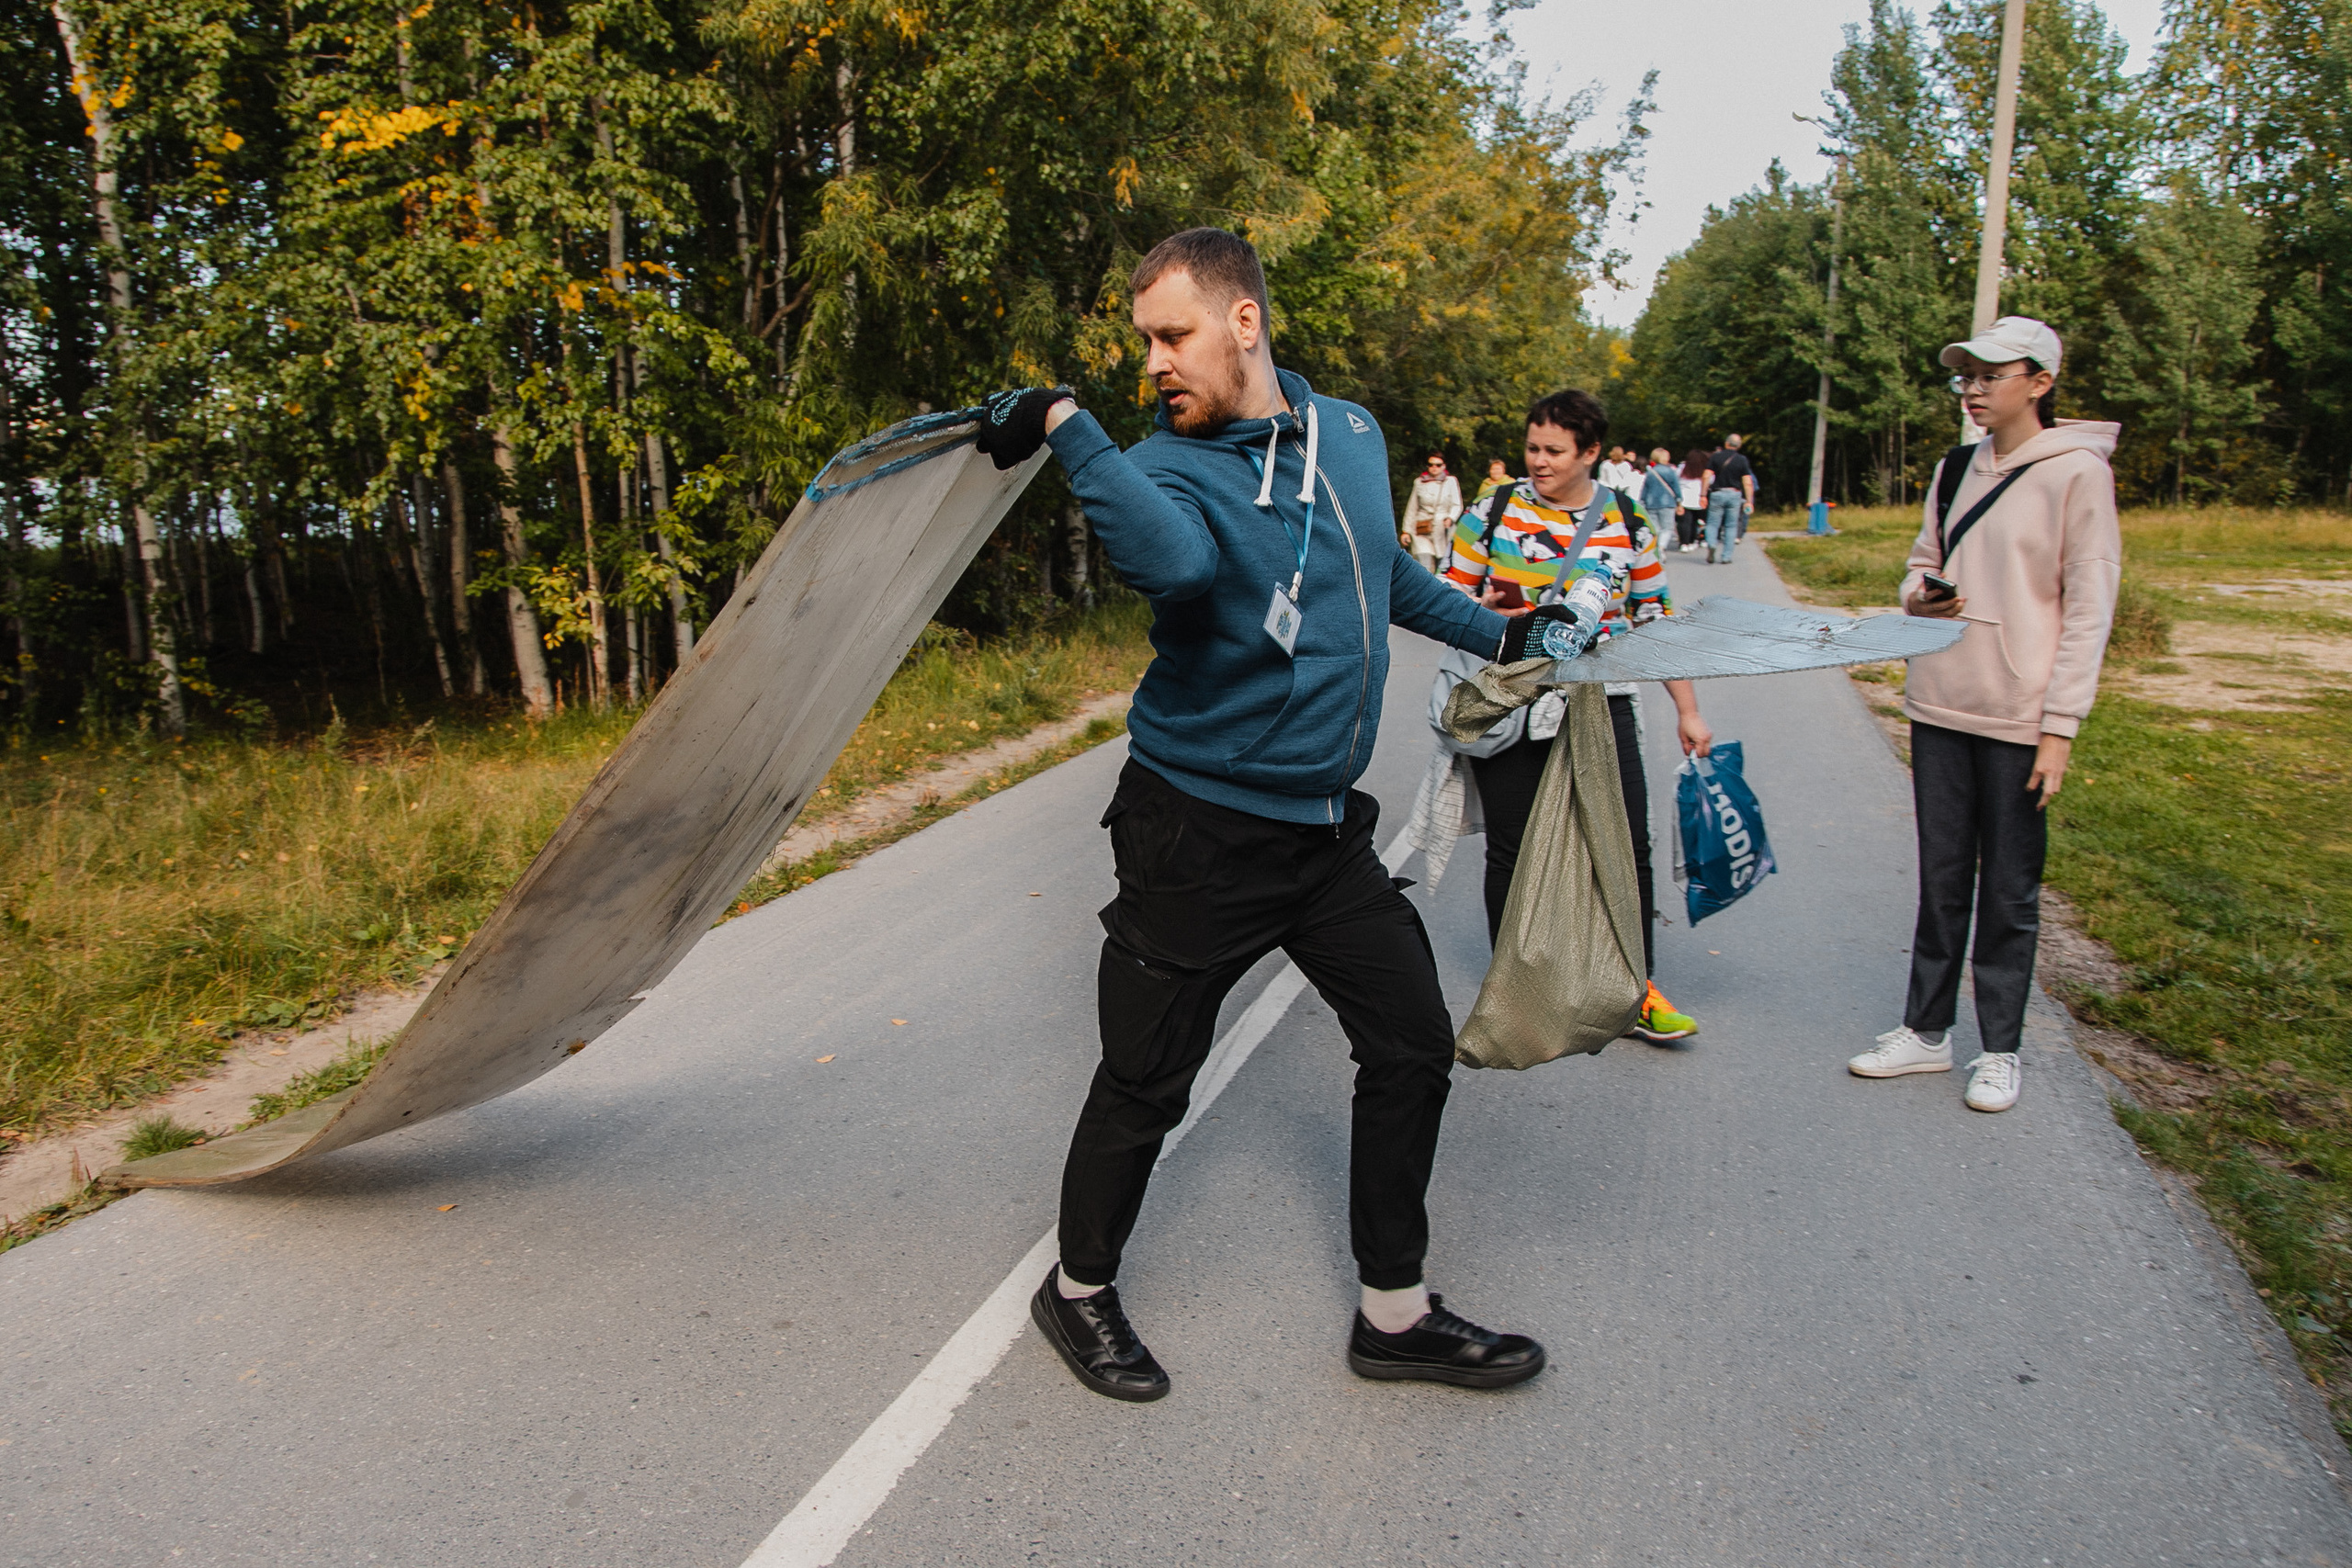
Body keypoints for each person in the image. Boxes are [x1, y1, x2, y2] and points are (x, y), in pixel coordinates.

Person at [971, 228, 1555, 1403]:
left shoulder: (1351, 435)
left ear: (1243, 321)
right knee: (1148, 1079)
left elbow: (1382, 571)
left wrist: (1501, 634)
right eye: (1144, 342)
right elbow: (1177, 570)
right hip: (1196, 832)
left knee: (1409, 1045)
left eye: (1172, 334)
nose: (1153, 362)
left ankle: (1393, 1314)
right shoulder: (1162, 464)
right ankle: (1077, 1290)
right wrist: (1066, 427)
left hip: (1325, 836)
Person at [1846, 315, 2119, 1114]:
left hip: (2019, 714)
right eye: (1964, 376)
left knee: (2008, 888)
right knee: (1941, 879)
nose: (1971, 389)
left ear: (2040, 382)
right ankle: (1926, 1031)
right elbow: (1920, 564)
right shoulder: (1954, 467)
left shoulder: (2078, 474)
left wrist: (2060, 727)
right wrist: (1920, 597)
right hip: (1941, 699)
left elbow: (2089, 607)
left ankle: (1999, 1048)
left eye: (1990, 376)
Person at [1442, 389, 1713, 1043]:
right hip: (1513, 699)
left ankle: (1634, 989)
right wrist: (1498, 617)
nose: (1538, 461)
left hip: (1602, 700)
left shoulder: (1627, 519)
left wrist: (1689, 709)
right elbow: (1445, 599)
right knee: (1512, 847)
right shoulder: (1491, 512)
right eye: (1532, 448)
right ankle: (1516, 989)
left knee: (1628, 844)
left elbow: (1656, 621)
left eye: (1554, 451)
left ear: (1590, 453)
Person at [1398, 452, 1463, 574]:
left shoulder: (1451, 481)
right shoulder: (1419, 482)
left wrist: (1450, 518)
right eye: (1431, 464)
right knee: (1424, 564)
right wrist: (1406, 531)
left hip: (1442, 529)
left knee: (1442, 566)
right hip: (1421, 529)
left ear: (1444, 466)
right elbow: (1412, 508)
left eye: (1438, 465)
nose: (1434, 467)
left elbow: (1457, 504)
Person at [1703, 434, 1754, 563]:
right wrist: (1749, 501)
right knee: (1731, 525)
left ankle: (1712, 544)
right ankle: (1726, 556)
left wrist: (1703, 495)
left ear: (1726, 443)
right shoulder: (1742, 459)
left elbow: (1706, 475)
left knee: (1712, 523)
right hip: (1734, 494)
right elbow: (1747, 482)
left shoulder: (1716, 457)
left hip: (1717, 493)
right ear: (1739, 446)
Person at [1641, 446, 1682, 555]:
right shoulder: (1670, 471)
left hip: (1651, 503)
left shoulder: (1651, 472)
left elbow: (1645, 489)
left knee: (1654, 528)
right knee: (1667, 528)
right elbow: (1676, 487)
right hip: (1667, 503)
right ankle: (1661, 548)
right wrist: (1679, 501)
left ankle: (1654, 548)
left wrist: (1642, 501)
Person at [1677, 448, 1712, 552]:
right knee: (1695, 522)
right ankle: (1693, 540)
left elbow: (1677, 480)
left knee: (1684, 522)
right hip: (1699, 499)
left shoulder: (1682, 468)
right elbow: (1711, 480)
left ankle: (1684, 543)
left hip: (1685, 499)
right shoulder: (1705, 469)